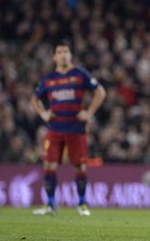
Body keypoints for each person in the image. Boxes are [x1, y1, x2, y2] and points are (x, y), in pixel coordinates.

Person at [31, 40, 106, 216]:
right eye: (59, 51)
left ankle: (81, 204)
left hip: (76, 129)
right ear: (54, 57)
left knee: (80, 166)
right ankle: (50, 204)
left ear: (70, 55)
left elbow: (100, 92)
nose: (63, 54)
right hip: (55, 128)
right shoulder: (49, 79)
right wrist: (43, 114)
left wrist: (89, 112)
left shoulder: (80, 74)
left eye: (66, 51)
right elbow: (34, 99)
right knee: (48, 164)